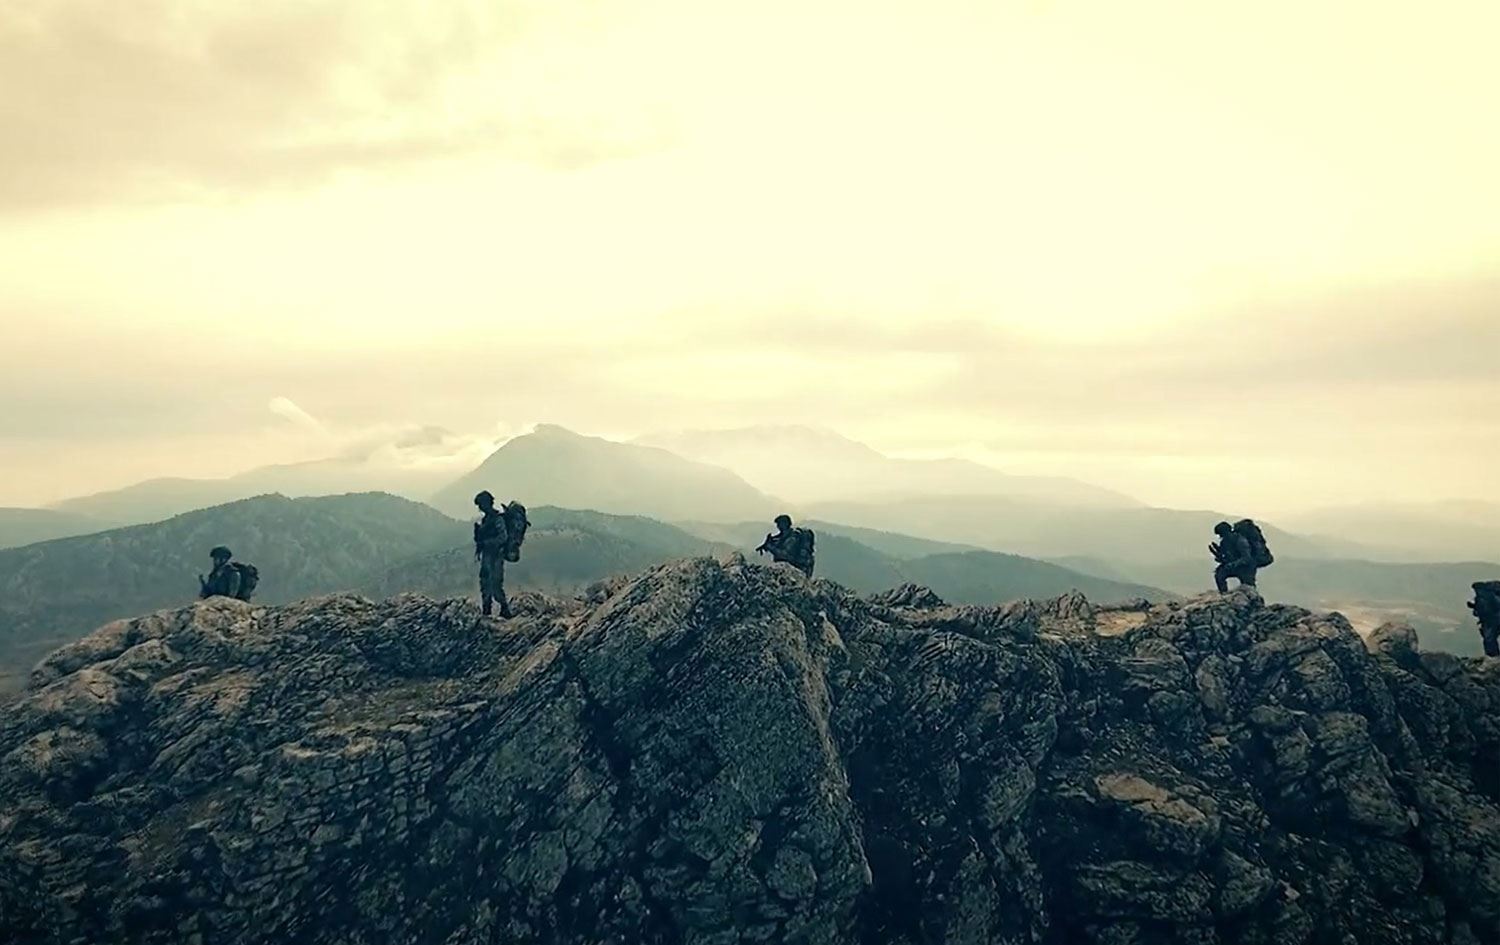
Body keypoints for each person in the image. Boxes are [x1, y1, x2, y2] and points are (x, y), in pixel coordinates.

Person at [473, 490, 512, 618]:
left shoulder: (497, 519)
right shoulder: (486, 520)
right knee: (485, 583)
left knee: (495, 584)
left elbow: (503, 537)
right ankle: (487, 609)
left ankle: (504, 608)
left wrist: (488, 543)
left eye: (481, 504)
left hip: (496, 556)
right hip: (487, 556)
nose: (480, 508)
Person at [1209, 521, 1257, 593]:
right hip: (1235, 566)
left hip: (1246, 568)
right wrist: (1217, 554)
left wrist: (1233, 564)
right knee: (1220, 575)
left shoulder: (1240, 540)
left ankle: (1253, 600)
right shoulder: (1224, 542)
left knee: (1249, 588)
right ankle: (1224, 594)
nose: (1220, 536)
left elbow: (1247, 558)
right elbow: (1226, 556)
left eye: (1221, 534)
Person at [1469, 581, 1500, 658]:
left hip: (1490, 621)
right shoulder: (1490, 596)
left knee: (1489, 639)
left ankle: (1493, 658)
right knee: (1489, 638)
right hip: (1492, 620)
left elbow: (1480, 611)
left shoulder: (1483, 597)